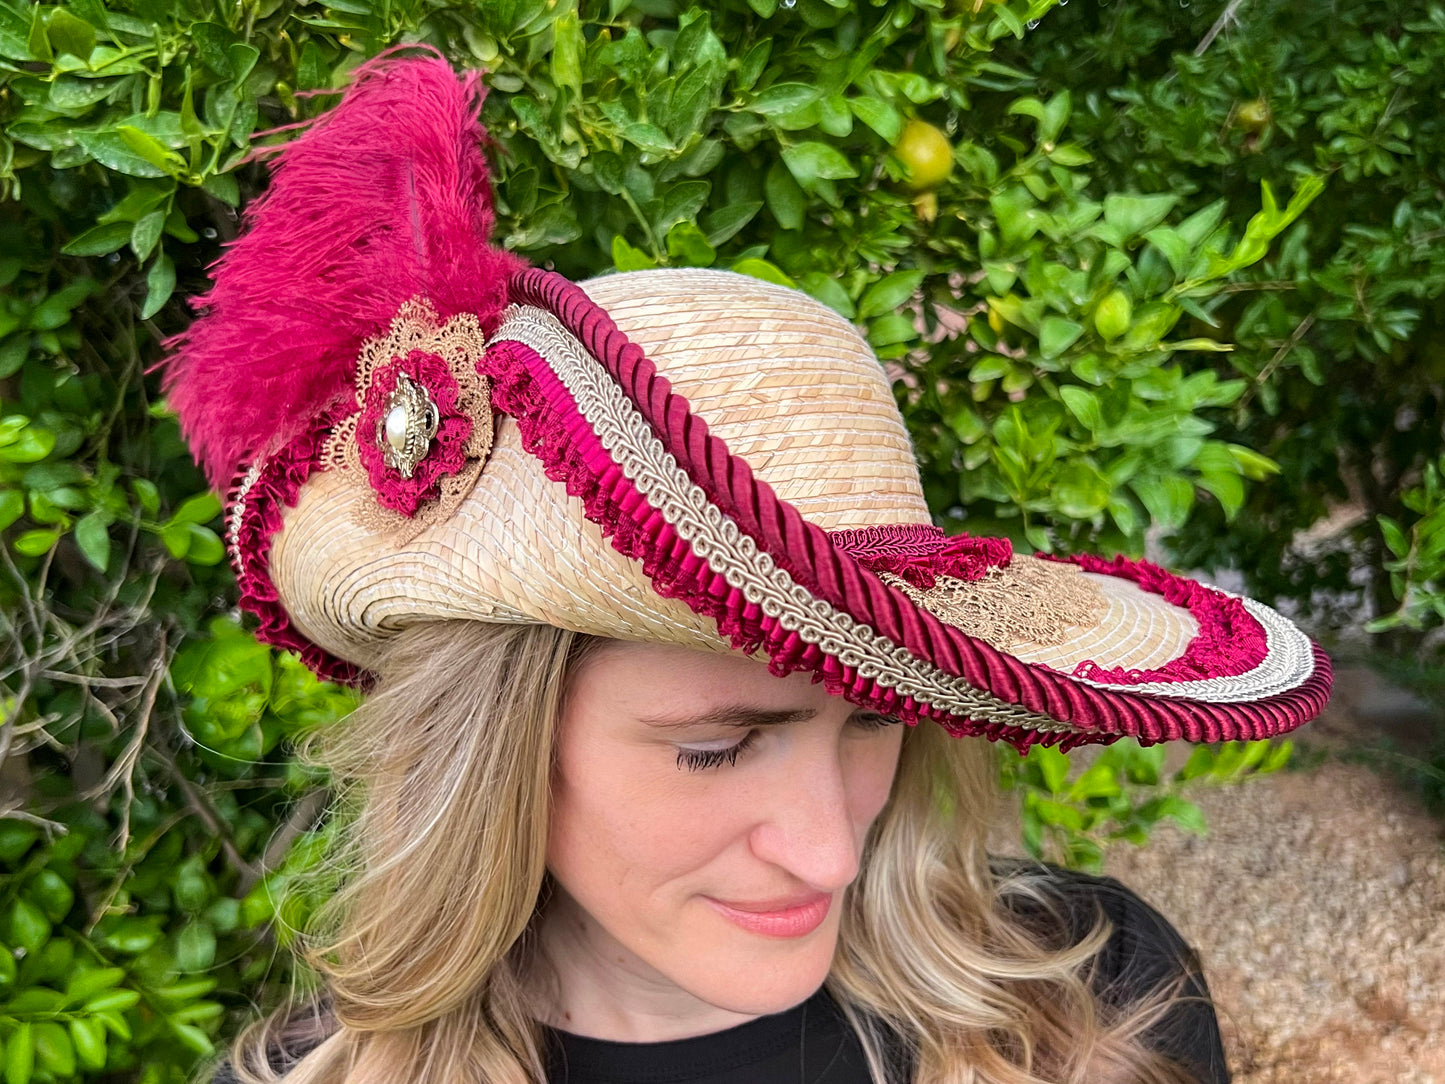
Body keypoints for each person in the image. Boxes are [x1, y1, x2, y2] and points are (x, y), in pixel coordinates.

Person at [164, 50, 1330, 1084]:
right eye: (716, 747)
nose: (829, 848)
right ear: (487, 747)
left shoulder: (1085, 1009)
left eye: (874, 721)